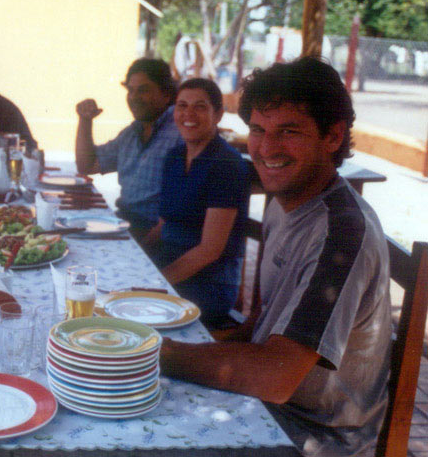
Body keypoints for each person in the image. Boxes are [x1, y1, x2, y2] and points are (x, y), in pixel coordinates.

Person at [160, 57, 391, 457]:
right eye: (258, 130)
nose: (266, 149)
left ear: (333, 136)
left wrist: (152, 353)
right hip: (272, 408)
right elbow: (259, 327)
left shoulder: (341, 233)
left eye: (289, 132)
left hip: (315, 436)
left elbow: (277, 377)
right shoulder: (282, 203)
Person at [150, 78, 249, 327]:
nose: (188, 114)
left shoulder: (226, 165)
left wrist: (159, 282)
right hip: (171, 267)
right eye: (182, 105)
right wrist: (136, 254)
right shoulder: (174, 157)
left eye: (200, 107)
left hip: (209, 285)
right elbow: (164, 223)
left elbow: (209, 251)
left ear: (218, 114)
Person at [75, 58, 180, 247]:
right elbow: (87, 165)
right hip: (124, 224)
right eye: (130, 90)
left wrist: (143, 247)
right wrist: (85, 120)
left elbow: (180, 212)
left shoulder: (180, 132)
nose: (133, 97)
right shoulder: (131, 133)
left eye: (143, 90)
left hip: (158, 235)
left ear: (166, 94)